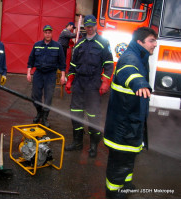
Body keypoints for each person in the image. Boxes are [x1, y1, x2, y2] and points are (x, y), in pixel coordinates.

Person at [104, 27, 157, 198]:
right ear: (140, 42)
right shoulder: (130, 57)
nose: (155, 44)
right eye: (151, 41)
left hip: (131, 122)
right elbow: (128, 71)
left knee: (129, 158)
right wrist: (139, 83)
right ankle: (113, 192)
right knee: (119, 162)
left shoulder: (141, 56)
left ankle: (125, 184)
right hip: (123, 126)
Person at [64, 15, 114, 158]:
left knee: (93, 116)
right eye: (87, 26)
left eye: (92, 25)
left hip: (93, 85)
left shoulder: (104, 43)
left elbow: (109, 65)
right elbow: (73, 65)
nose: (90, 28)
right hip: (79, 84)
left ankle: (93, 146)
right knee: (75, 113)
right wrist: (69, 80)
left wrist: (105, 82)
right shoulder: (79, 44)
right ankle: (77, 142)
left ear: (96, 26)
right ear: (84, 27)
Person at [27, 25, 66, 127]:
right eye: (46, 32)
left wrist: (62, 76)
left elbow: (62, 63)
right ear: (43, 33)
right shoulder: (37, 45)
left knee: (48, 97)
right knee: (35, 95)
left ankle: (44, 117)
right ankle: (39, 112)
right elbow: (31, 60)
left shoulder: (58, 46)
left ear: (52, 33)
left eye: (49, 32)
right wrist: (28, 73)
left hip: (50, 74)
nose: (48, 34)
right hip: (38, 73)